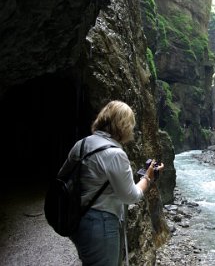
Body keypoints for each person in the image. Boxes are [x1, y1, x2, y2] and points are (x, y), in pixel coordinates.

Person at [58, 100, 164, 266]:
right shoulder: (115, 154)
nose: (132, 130)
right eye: (131, 125)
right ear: (123, 126)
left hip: (78, 218)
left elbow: (63, 177)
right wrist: (148, 177)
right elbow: (131, 196)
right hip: (101, 225)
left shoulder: (82, 144)